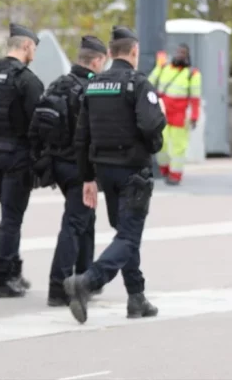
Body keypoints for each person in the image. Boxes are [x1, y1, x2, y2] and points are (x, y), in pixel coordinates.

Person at [64, 26, 166, 324]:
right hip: (133, 170)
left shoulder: (94, 85)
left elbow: (81, 136)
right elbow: (151, 127)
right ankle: (87, 282)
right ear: (134, 52)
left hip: (104, 171)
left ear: (109, 54)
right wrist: (155, 142)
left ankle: (136, 297)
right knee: (129, 236)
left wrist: (87, 178)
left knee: (125, 234)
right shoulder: (138, 83)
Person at [29, 35, 108, 307]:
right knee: (75, 224)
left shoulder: (59, 83)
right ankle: (59, 286)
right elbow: (95, 134)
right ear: (96, 61)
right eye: (103, 62)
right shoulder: (91, 88)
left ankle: (85, 278)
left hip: (57, 165)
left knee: (85, 220)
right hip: (79, 168)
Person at [0, 23, 44, 298]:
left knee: (9, 213)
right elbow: (38, 124)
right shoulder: (27, 80)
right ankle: (2, 278)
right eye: (34, 49)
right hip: (17, 154)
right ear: (26, 46)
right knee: (11, 217)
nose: (34, 55)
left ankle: (13, 270)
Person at [149, 43, 201, 185]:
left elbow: (195, 99)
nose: (180, 55)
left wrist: (195, 117)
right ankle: (165, 170)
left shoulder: (193, 74)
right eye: (178, 52)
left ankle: (176, 175)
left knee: (178, 147)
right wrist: (158, 67)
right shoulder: (164, 68)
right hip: (163, 113)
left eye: (183, 53)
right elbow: (149, 83)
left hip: (180, 115)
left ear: (188, 56)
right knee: (161, 144)